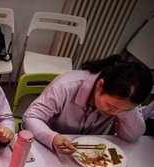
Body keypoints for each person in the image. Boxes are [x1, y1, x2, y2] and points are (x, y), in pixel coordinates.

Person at [22, 54, 153, 154]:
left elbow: (132, 137)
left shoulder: (123, 102)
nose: (114, 113)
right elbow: (30, 118)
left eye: (122, 110)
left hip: (82, 155)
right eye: (111, 106)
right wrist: (52, 137)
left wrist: (125, 110)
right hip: (44, 148)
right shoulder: (67, 85)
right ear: (100, 85)